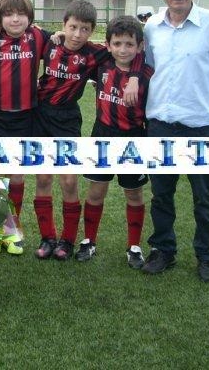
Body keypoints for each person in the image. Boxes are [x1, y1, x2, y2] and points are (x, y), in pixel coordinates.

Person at [142, 0, 209, 283]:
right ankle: (163, 250)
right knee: (161, 196)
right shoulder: (152, 27)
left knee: (205, 198)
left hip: (201, 126)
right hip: (161, 125)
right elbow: (148, 70)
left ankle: (207, 257)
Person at [33, 0, 140, 262]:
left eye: (84, 29)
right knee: (43, 178)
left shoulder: (95, 53)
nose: (77, 34)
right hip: (40, 115)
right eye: (72, 27)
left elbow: (135, 53)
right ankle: (47, 238)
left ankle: (68, 240)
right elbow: (16, 33)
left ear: (92, 31)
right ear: (64, 25)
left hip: (68, 119)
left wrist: (135, 77)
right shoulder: (49, 42)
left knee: (69, 180)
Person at [79, 16, 154, 268]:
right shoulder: (101, 66)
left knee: (134, 193)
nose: (123, 49)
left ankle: (134, 246)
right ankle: (89, 240)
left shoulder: (146, 74)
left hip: (133, 139)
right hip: (102, 136)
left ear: (139, 46)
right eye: (117, 43)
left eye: (129, 44)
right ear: (108, 45)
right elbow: (80, 47)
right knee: (96, 191)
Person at [0, 0, 53, 257]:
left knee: (16, 175)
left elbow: (63, 39)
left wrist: (59, 34)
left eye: (21, 14)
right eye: (9, 14)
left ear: (30, 18)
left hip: (26, 116)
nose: (15, 19)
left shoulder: (38, 36)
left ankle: (13, 230)